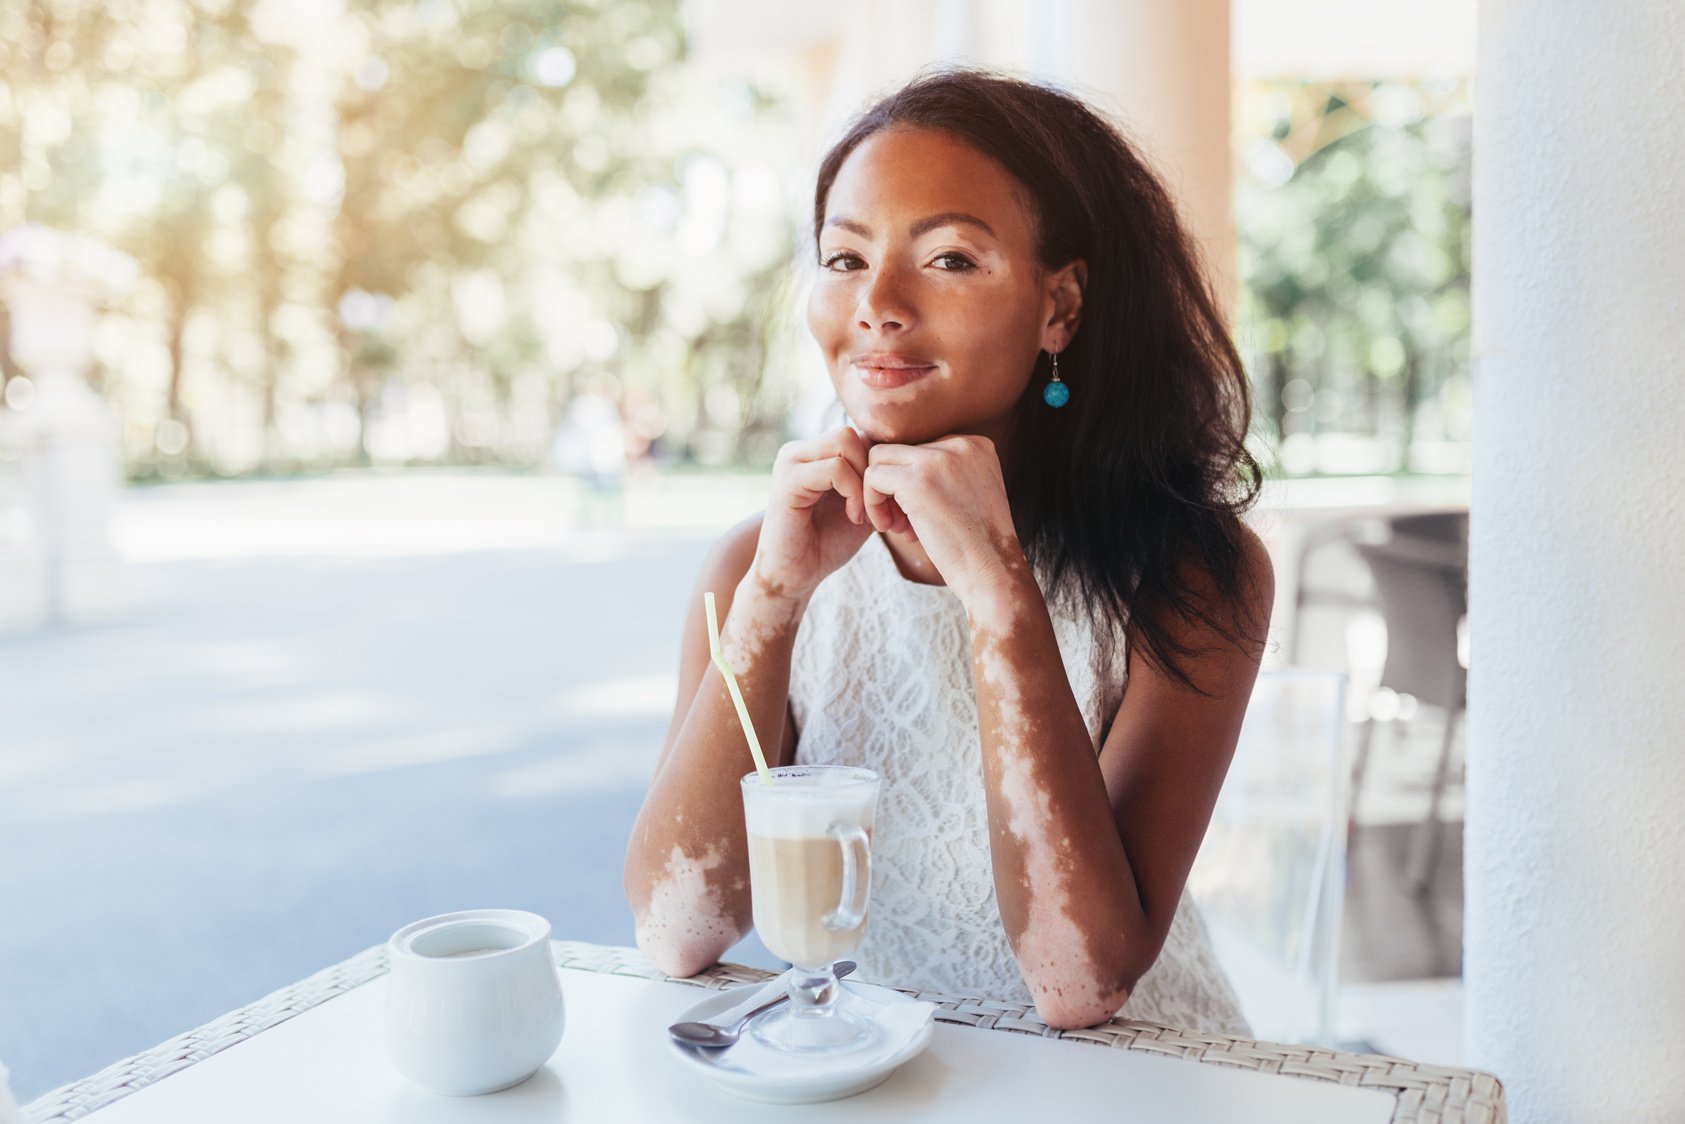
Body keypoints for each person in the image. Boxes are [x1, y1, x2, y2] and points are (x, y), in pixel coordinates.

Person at [623, 69, 1273, 1034]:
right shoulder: (753, 570)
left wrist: (999, 593)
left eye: (950, 259)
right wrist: (774, 594)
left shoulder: (1187, 574)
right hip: (877, 1073)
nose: (876, 304)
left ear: (1060, 308)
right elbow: (678, 932)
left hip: (1131, 1084)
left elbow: (1078, 982)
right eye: (844, 259)